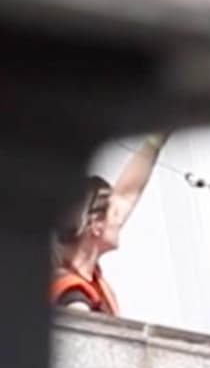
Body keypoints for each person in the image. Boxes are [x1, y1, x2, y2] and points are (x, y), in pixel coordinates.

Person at [50, 133, 169, 315]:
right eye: (114, 214)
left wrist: (155, 142)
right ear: (95, 227)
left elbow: (126, 193)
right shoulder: (71, 294)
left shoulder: (85, 278)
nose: (120, 218)